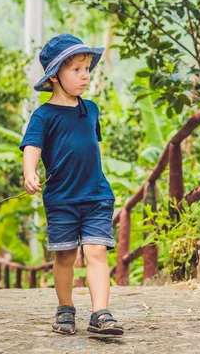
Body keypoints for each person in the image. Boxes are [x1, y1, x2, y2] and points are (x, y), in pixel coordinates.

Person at [19, 34, 124, 336]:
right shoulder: (44, 115)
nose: (85, 75)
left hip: (96, 195)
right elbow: (32, 146)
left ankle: (100, 313)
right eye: (76, 69)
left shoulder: (90, 109)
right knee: (65, 255)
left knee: (96, 252)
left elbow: (89, 147)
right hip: (62, 198)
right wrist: (30, 172)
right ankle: (65, 308)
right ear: (54, 75)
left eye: (87, 68)